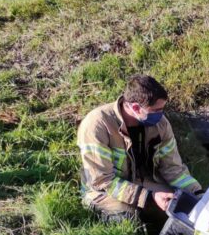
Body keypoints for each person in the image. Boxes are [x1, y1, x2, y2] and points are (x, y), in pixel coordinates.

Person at [77, 75, 202, 222]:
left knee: (184, 208)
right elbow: (102, 181)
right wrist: (149, 197)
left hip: (147, 185)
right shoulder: (97, 125)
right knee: (128, 217)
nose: (161, 114)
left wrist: (198, 194)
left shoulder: (161, 125)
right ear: (135, 107)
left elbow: (173, 169)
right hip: (104, 191)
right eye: (156, 110)